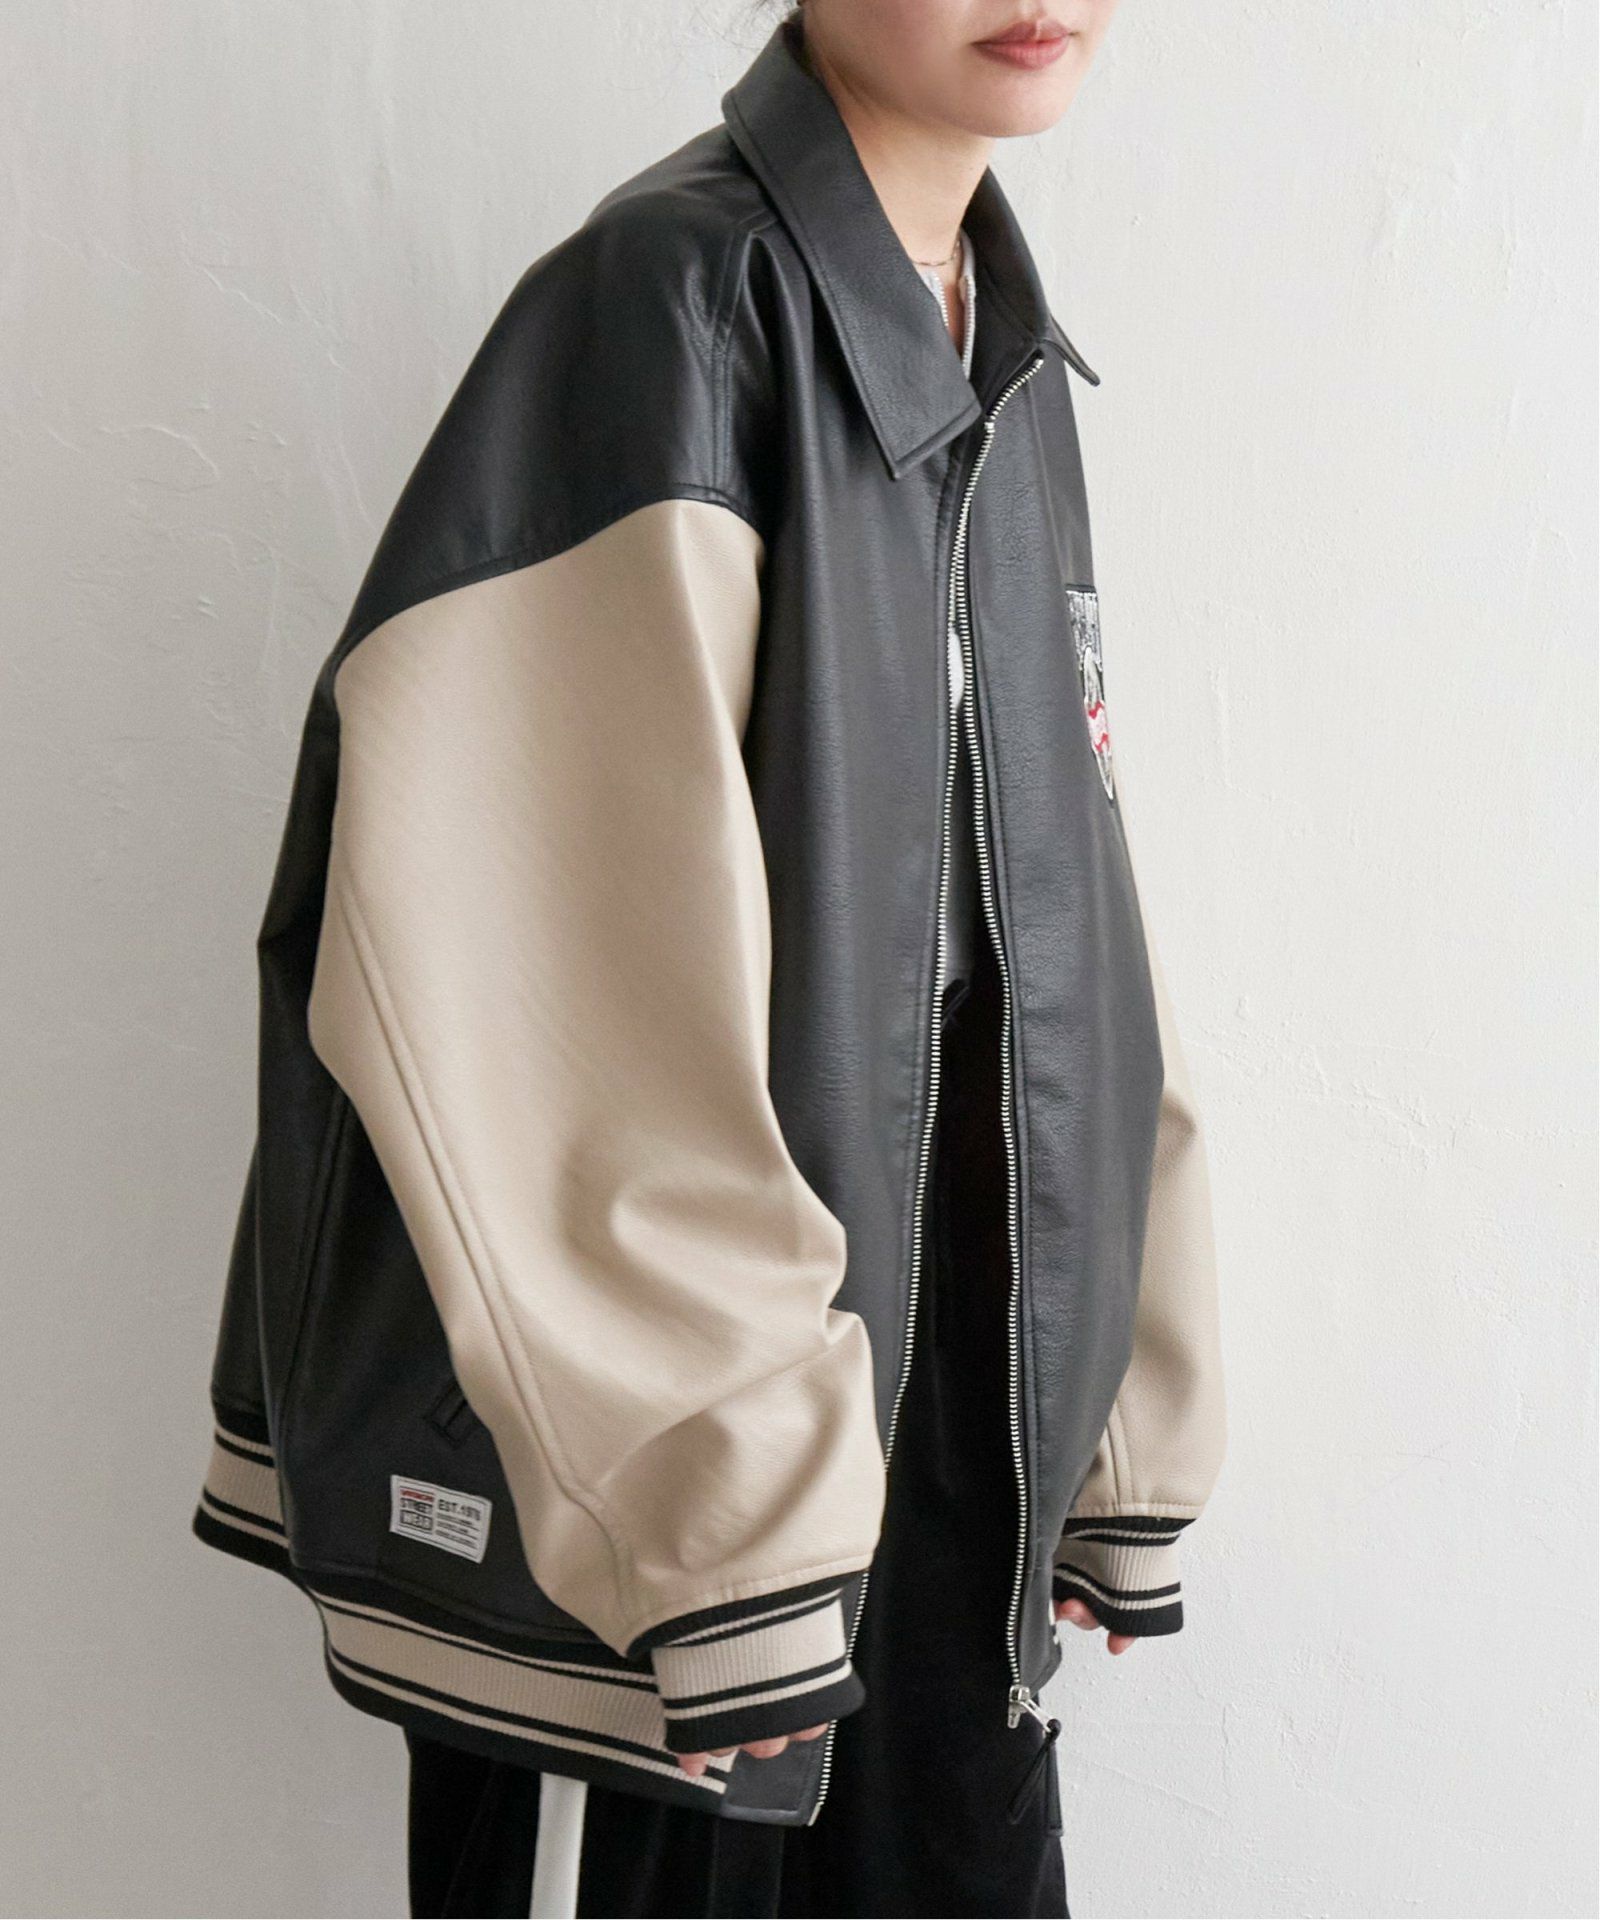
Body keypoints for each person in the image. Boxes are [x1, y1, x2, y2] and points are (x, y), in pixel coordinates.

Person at [190, 3, 1226, 1914]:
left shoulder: (997, 345)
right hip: (677, 1523)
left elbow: (1061, 898)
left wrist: (1111, 1418)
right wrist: (718, 1517)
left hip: (917, 1466)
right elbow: (534, 973)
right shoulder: (669, 307)